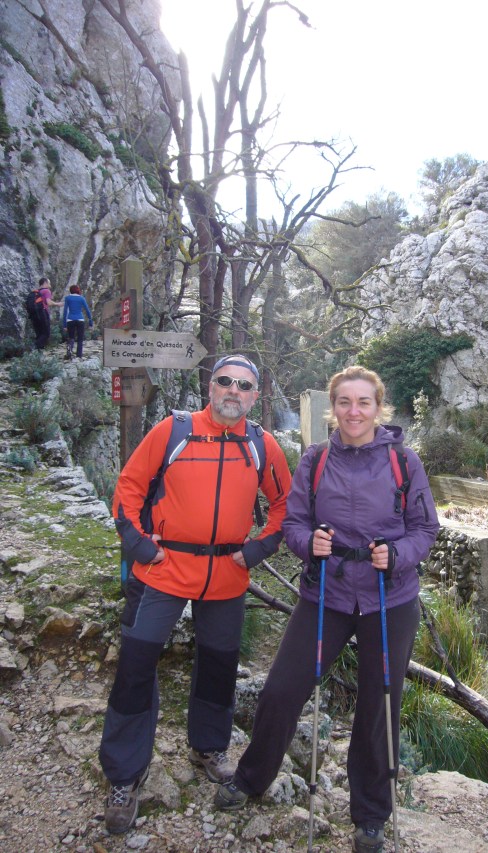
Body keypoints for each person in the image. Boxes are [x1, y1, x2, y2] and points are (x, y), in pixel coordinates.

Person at [215, 365, 440, 853]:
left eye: (363, 402)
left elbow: (426, 529)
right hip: (328, 596)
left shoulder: (404, 461)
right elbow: (294, 522)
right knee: (281, 689)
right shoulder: (315, 459)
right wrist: (308, 543)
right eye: (344, 402)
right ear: (332, 407)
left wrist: (397, 554)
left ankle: (371, 815)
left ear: (378, 407)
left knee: (379, 706)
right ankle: (252, 777)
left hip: (389, 597)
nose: (353, 411)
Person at [99, 354, 292, 835]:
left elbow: (287, 504)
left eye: (243, 385)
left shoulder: (262, 444)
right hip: (163, 573)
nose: (233, 390)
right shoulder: (174, 430)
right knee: (136, 668)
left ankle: (208, 747)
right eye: (225, 381)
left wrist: (259, 548)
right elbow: (128, 488)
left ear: (255, 396)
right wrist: (143, 547)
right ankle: (124, 775)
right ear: (211, 387)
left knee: (220, 666)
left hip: (227, 575)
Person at [28, 276, 61, 349]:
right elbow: (48, 303)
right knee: (46, 333)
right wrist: (57, 304)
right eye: (49, 283)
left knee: (39, 333)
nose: (50, 285)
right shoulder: (46, 291)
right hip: (43, 313)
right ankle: (35, 347)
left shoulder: (36, 292)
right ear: (45, 283)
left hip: (34, 315)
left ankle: (38, 351)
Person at [62, 284, 93, 359]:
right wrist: (90, 322)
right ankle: (79, 355)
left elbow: (65, 311)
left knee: (71, 337)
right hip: (80, 319)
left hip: (70, 319)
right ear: (78, 290)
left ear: (71, 290)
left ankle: (69, 353)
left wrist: (64, 325)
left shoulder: (68, 298)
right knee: (80, 338)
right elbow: (87, 310)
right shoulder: (81, 298)